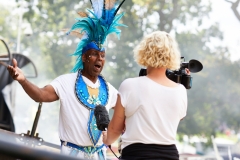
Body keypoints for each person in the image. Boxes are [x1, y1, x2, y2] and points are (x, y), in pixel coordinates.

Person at [7, 0, 126, 159]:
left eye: (103, 55)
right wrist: (22, 80)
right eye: (95, 54)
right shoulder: (65, 82)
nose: (100, 58)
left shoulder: (110, 90)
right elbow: (41, 95)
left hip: (100, 155)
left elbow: (125, 112)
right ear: (84, 57)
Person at [103, 31, 188, 160]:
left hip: (137, 155)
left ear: (144, 51)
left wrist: (106, 138)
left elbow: (115, 130)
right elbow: (175, 118)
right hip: (170, 156)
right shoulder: (181, 90)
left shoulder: (129, 85)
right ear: (172, 56)